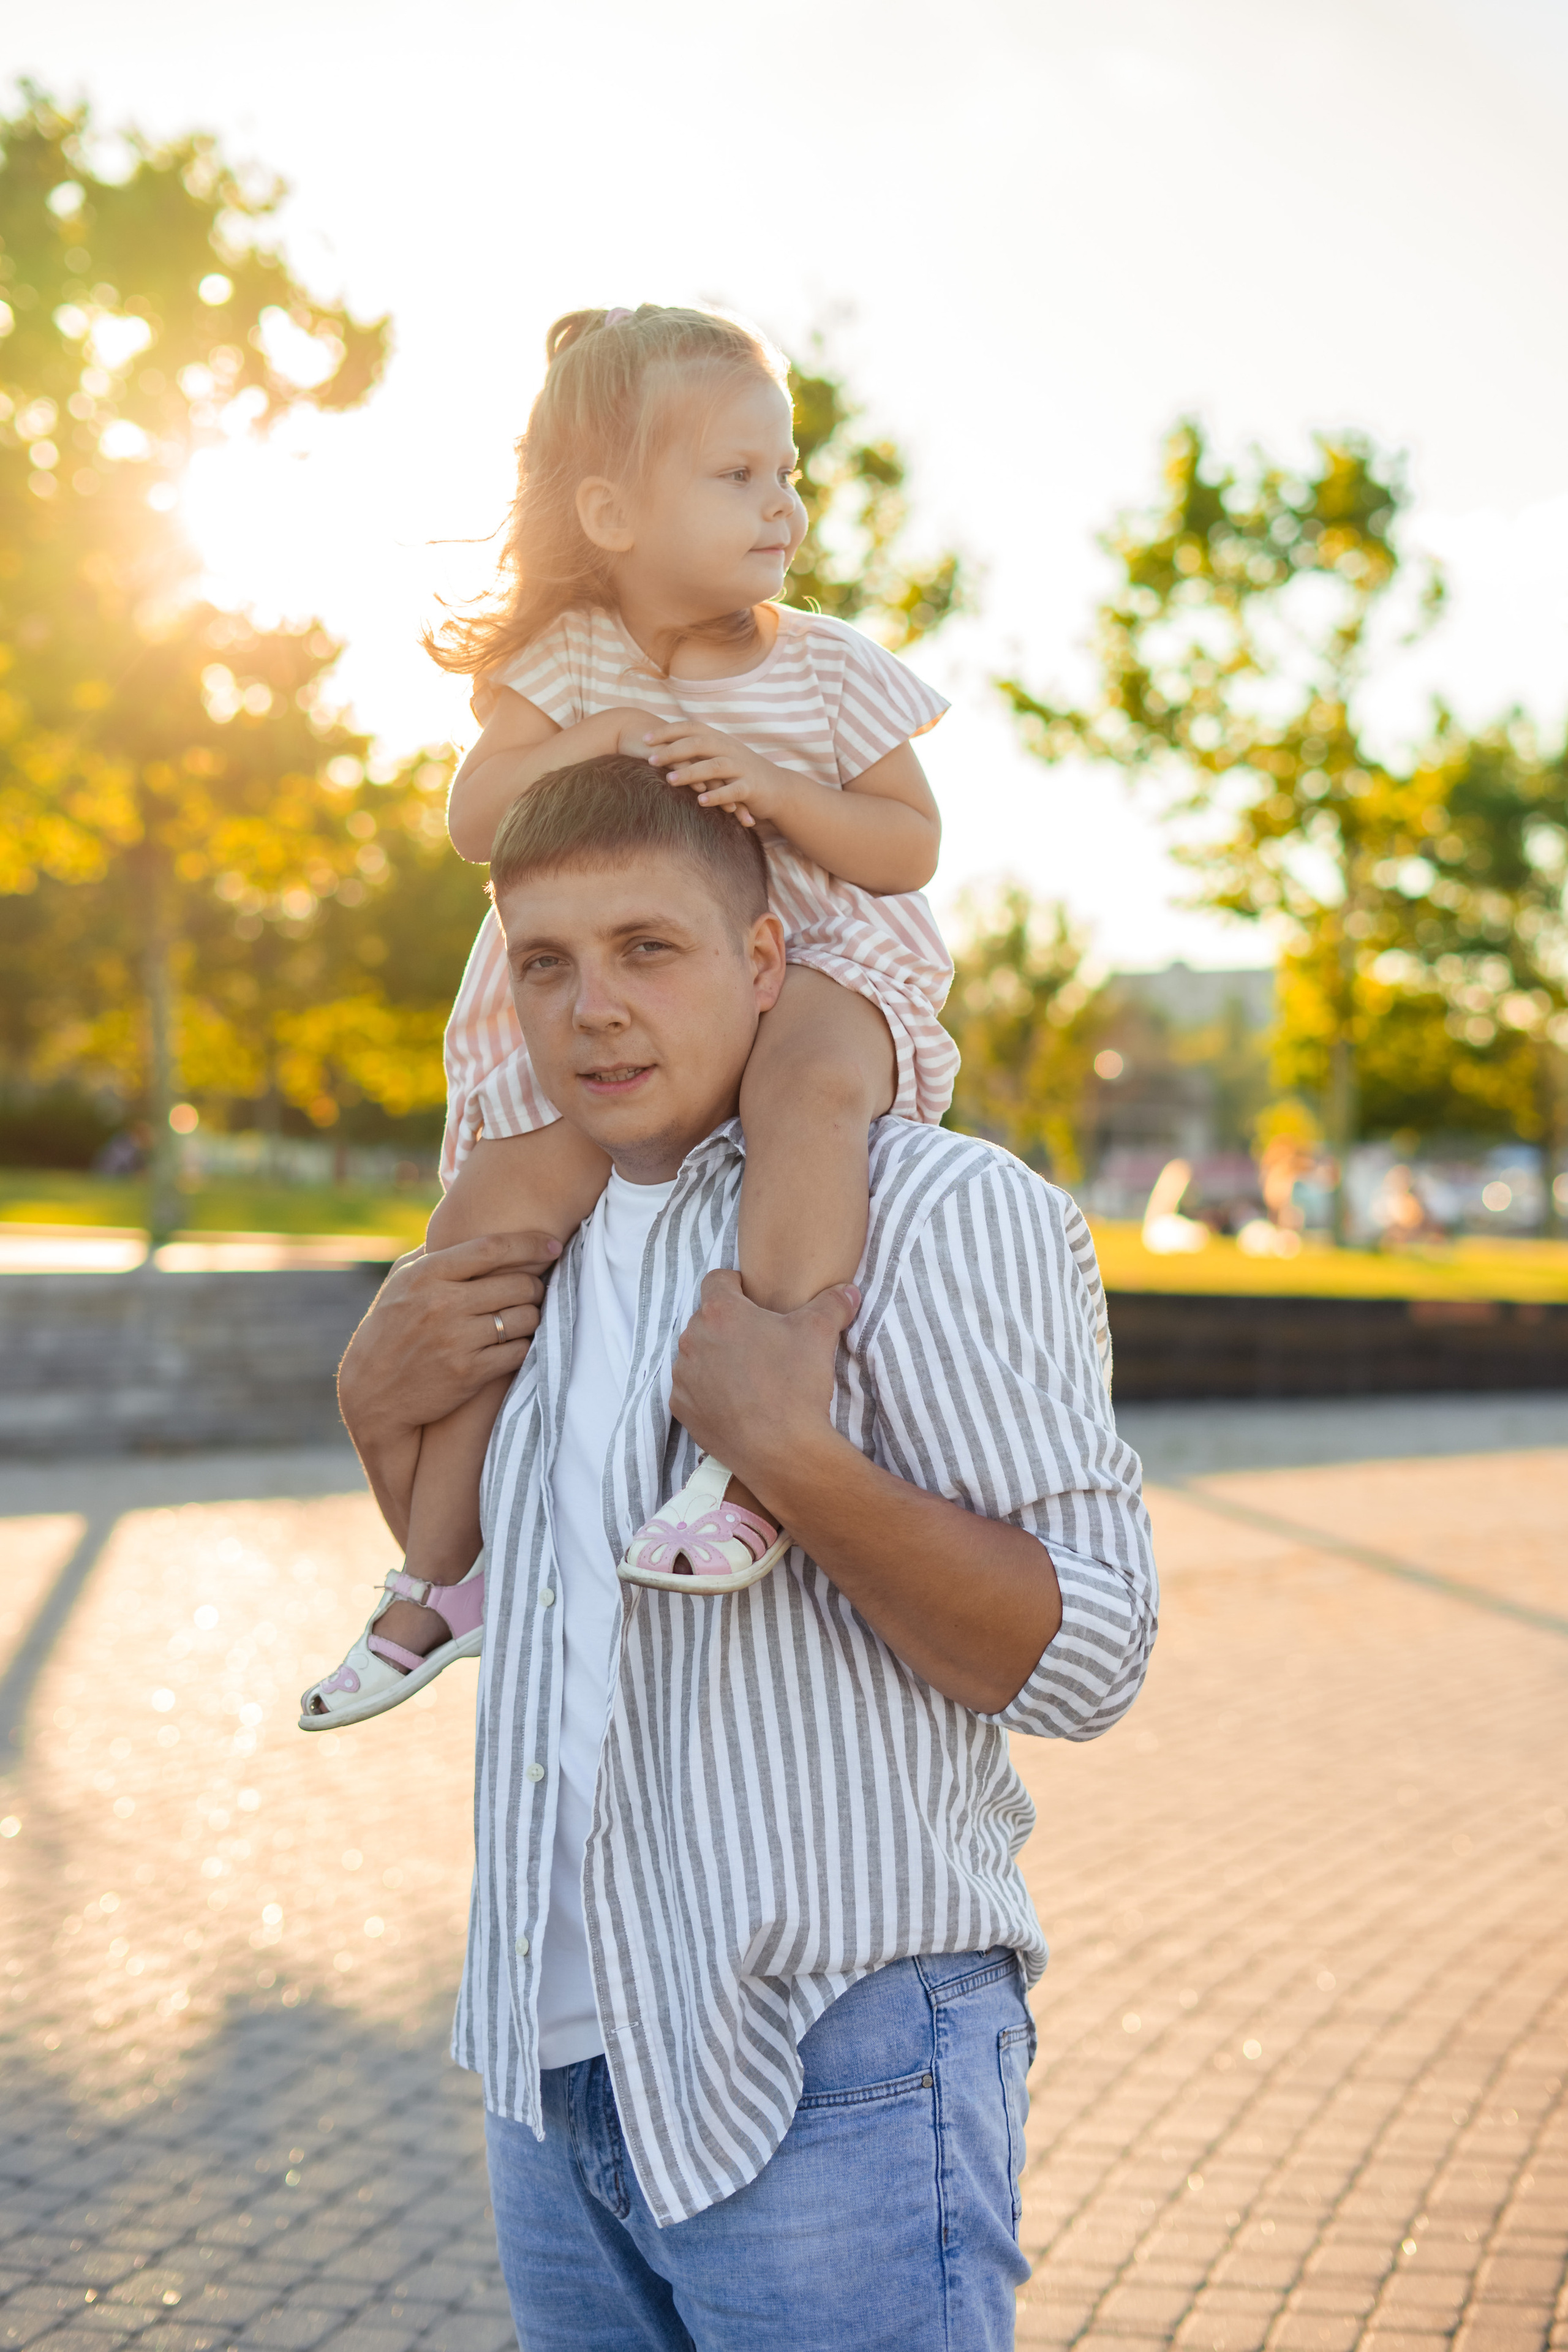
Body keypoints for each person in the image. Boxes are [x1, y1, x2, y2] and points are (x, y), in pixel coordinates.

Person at [336, 758, 1158, 2351]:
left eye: (648, 948)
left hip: (831, 2064)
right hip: (551, 2078)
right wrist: (378, 1414)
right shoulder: (541, 1240)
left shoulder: (933, 1209)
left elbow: (1091, 1655)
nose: (593, 1008)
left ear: (766, 960)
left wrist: (792, 1455)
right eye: (546, 963)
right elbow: (533, 1605)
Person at [304, 303, 957, 1724]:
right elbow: (477, 821)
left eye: (785, 473)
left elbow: (907, 845)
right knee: (493, 1215)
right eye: (736, 475)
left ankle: (755, 1451)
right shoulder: (571, 662)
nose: (780, 504)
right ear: (609, 512)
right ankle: (443, 1571)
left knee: (806, 1095)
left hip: (815, 953)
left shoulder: (826, 666)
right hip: (630, 986)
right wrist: (598, 737)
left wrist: (776, 792)